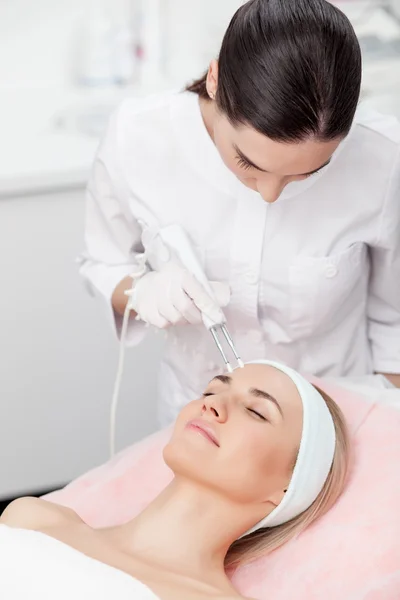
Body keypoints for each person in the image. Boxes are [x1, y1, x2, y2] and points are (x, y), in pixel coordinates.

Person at [79, 0, 400, 426]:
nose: (269, 195)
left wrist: (369, 436)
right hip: (197, 421)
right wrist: (143, 293)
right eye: (249, 164)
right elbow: (102, 263)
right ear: (215, 80)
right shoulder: (139, 137)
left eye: (308, 174)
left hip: (336, 419)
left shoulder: (382, 159)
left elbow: (394, 322)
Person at [0, 361, 349, 600]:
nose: (211, 406)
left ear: (289, 487)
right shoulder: (34, 519)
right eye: (211, 391)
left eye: (256, 411)